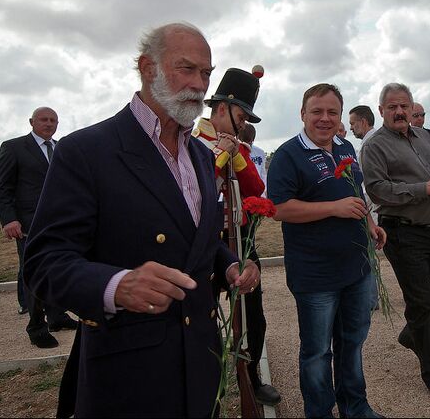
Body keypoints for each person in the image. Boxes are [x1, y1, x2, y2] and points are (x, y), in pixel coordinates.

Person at [23, 22, 260, 417]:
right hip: (129, 371)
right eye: (187, 69)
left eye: (206, 73)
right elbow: (44, 262)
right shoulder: (87, 151)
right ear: (147, 68)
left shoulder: (202, 157)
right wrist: (117, 286)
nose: (200, 85)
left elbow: (197, 240)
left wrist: (229, 264)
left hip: (199, 365)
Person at [267, 83, 386, 418]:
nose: (324, 118)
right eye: (316, 111)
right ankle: (319, 412)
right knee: (318, 352)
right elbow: (278, 208)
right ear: (303, 114)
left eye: (332, 112)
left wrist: (370, 225)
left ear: (340, 116)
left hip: (357, 268)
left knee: (352, 344)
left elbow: (356, 193)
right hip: (316, 274)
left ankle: (355, 406)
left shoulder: (346, 147)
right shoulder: (288, 155)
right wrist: (333, 208)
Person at [362, 83, 430, 408]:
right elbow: (377, 190)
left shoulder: (424, 137)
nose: (400, 112)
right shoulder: (375, 145)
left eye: (404, 106)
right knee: (420, 303)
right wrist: (424, 188)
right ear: (381, 111)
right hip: (402, 233)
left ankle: (411, 334)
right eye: (392, 107)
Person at [192, 68, 281, 406]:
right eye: (240, 116)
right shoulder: (192, 139)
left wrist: (237, 152)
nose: (243, 124)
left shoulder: (240, 144)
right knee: (203, 313)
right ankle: (206, 382)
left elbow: (256, 188)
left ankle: (252, 375)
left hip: (239, 236)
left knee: (253, 315)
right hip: (204, 241)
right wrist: (224, 153)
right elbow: (200, 186)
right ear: (221, 109)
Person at [0, 107, 78, 348]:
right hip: (29, 224)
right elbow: (3, 188)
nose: (49, 124)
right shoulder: (14, 147)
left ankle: (57, 316)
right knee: (34, 272)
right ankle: (36, 325)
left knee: (60, 267)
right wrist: (9, 219)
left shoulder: (62, 148)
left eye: (54, 120)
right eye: (44, 119)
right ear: (32, 122)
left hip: (61, 221)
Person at [348, 104, 380, 310]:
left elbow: (368, 183)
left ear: (363, 121)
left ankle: (370, 299)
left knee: (368, 253)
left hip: (372, 205)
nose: (351, 128)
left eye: (352, 123)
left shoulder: (370, 144)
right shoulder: (371, 142)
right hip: (371, 204)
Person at [239, 124, 268, 198]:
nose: (247, 145)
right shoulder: (235, 151)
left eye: (250, 142)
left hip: (258, 192)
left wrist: (264, 192)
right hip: (241, 193)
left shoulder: (260, 152)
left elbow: (262, 173)